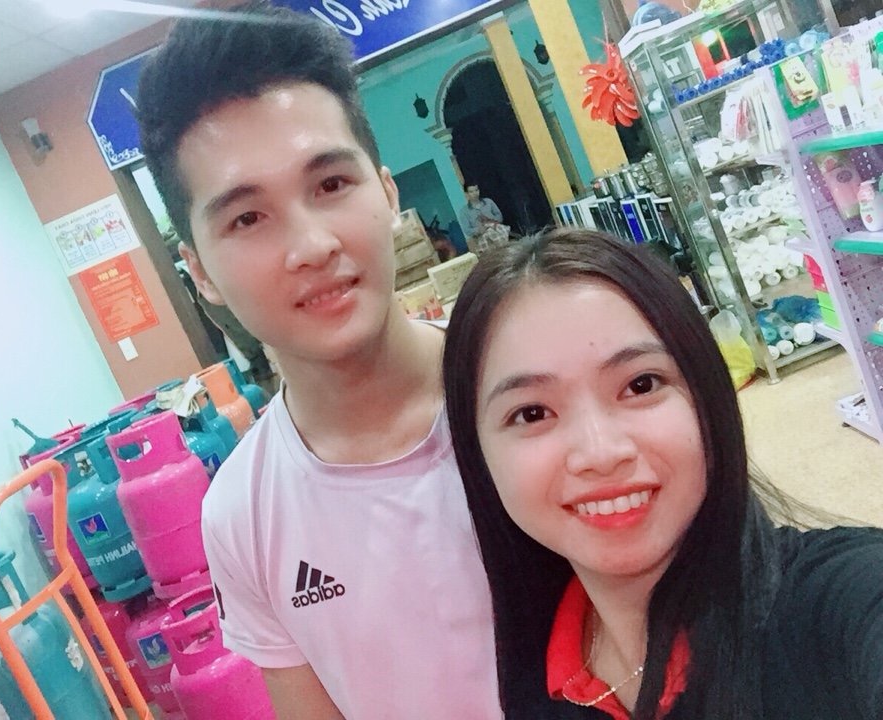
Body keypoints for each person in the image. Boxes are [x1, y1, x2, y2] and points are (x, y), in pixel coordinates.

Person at [136, 3, 500, 719]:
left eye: (331, 185)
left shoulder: (528, 393)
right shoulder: (241, 514)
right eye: (247, 217)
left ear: (387, 192)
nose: (310, 246)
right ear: (199, 271)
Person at [442, 227, 883, 720]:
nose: (600, 453)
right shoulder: (527, 674)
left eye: (641, 384)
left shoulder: (835, 603)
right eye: (531, 413)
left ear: (706, 396)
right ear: (478, 455)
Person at [458, 182, 504, 250]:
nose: (475, 193)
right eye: (471, 192)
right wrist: (479, 230)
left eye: (476, 190)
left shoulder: (488, 202)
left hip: (497, 231)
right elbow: (467, 230)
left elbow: (499, 216)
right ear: (466, 194)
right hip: (481, 238)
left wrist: (491, 222)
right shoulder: (464, 212)